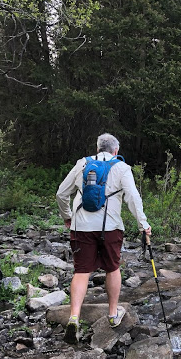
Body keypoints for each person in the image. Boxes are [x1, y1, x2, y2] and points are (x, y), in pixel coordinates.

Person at [56, 133, 151, 344]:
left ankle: (74, 317)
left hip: (81, 226)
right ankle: (112, 314)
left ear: (98, 148)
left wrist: (67, 217)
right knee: (112, 268)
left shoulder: (82, 164)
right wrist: (143, 224)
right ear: (115, 151)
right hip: (110, 227)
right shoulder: (122, 168)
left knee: (81, 271)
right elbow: (133, 198)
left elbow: (61, 193)